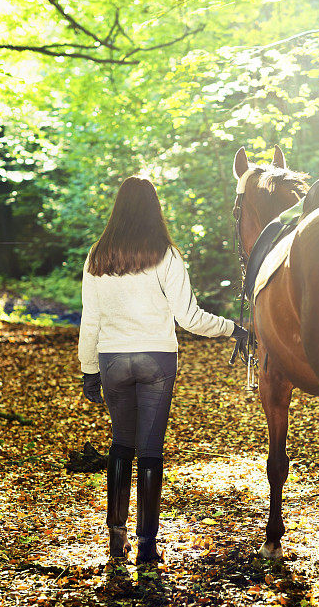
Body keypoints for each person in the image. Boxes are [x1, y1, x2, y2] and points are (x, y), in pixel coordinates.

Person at [78, 176, 247, 563]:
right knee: (150, 450)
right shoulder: (165, 254)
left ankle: (115, 538)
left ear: (118, 208)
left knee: (121, 444)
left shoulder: (97, 255)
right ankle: (147, 546)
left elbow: (91, 319)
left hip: (113, 359)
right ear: (154, 208)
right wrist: (232, 328)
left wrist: (89, 369)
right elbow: (189, 317)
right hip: (157, 360)